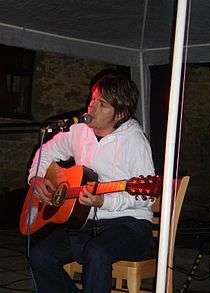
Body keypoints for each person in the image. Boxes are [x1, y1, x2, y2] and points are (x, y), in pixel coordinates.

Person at [28, 70, 155, 293]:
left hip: (130, 226)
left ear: (119, 114)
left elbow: (146, 198)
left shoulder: (135, 142)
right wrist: (36, 177)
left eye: (102, 104)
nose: (91, 108)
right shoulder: (79, 130)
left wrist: (103, 202)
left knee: (97, 251)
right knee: (40, 255)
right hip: (86, 223)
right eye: (93, 99)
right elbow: (46, 150)